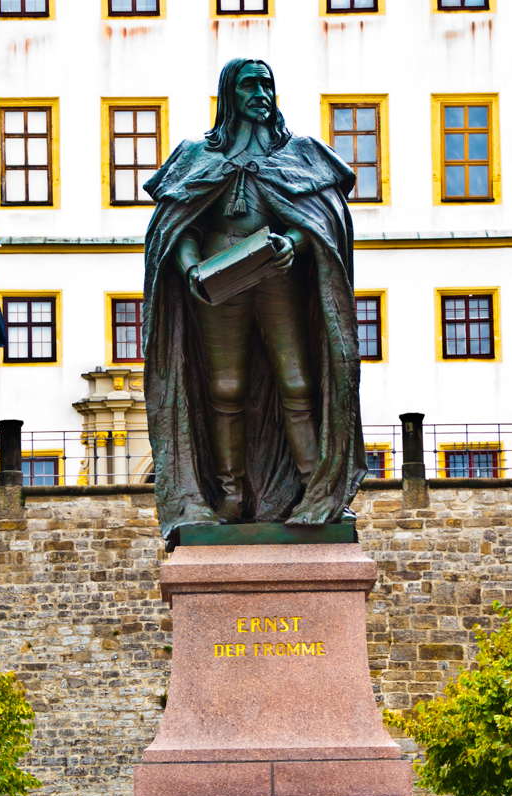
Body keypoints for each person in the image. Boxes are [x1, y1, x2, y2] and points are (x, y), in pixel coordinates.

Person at [142, 58, 366, 542]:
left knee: (299, 382)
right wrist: (190, 270)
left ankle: (315, 491)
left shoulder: (301, 154)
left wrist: (295, 242)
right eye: (250, 85)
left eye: (267, 84)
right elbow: (180, 226)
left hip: (277, 276)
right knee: (224, 388)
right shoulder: (196, 156)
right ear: (230, 94)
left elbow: (321, 222)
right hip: (218, 283)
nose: (261, 93)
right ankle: (229, 496)